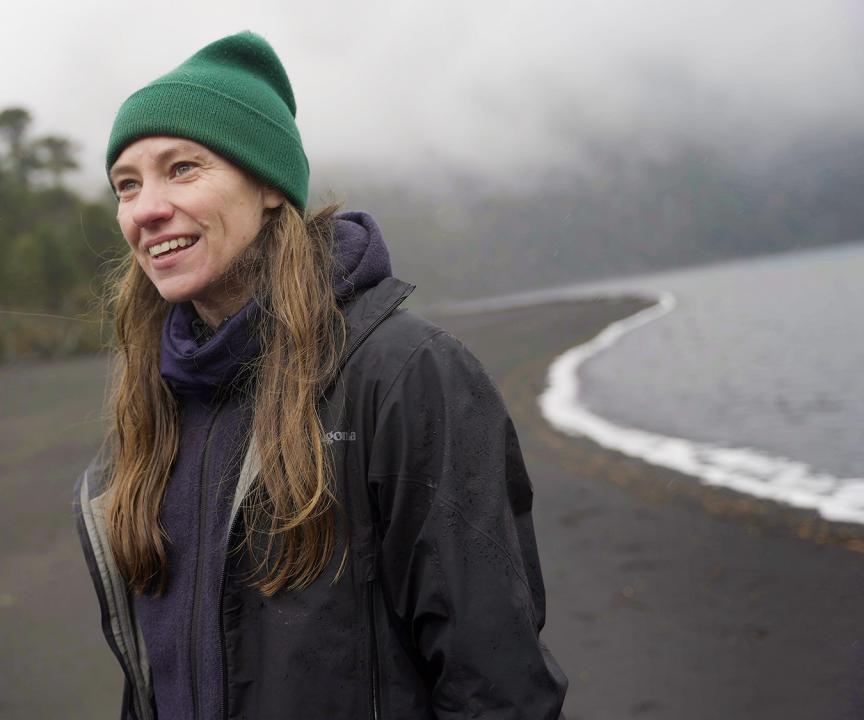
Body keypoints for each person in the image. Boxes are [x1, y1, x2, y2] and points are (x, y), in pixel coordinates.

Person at [75, 31, 568, 719]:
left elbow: (495, 682)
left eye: (182, 168)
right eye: (127, 184)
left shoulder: (402, 376)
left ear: (269, 186)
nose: (145, 208)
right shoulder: (152, 405)